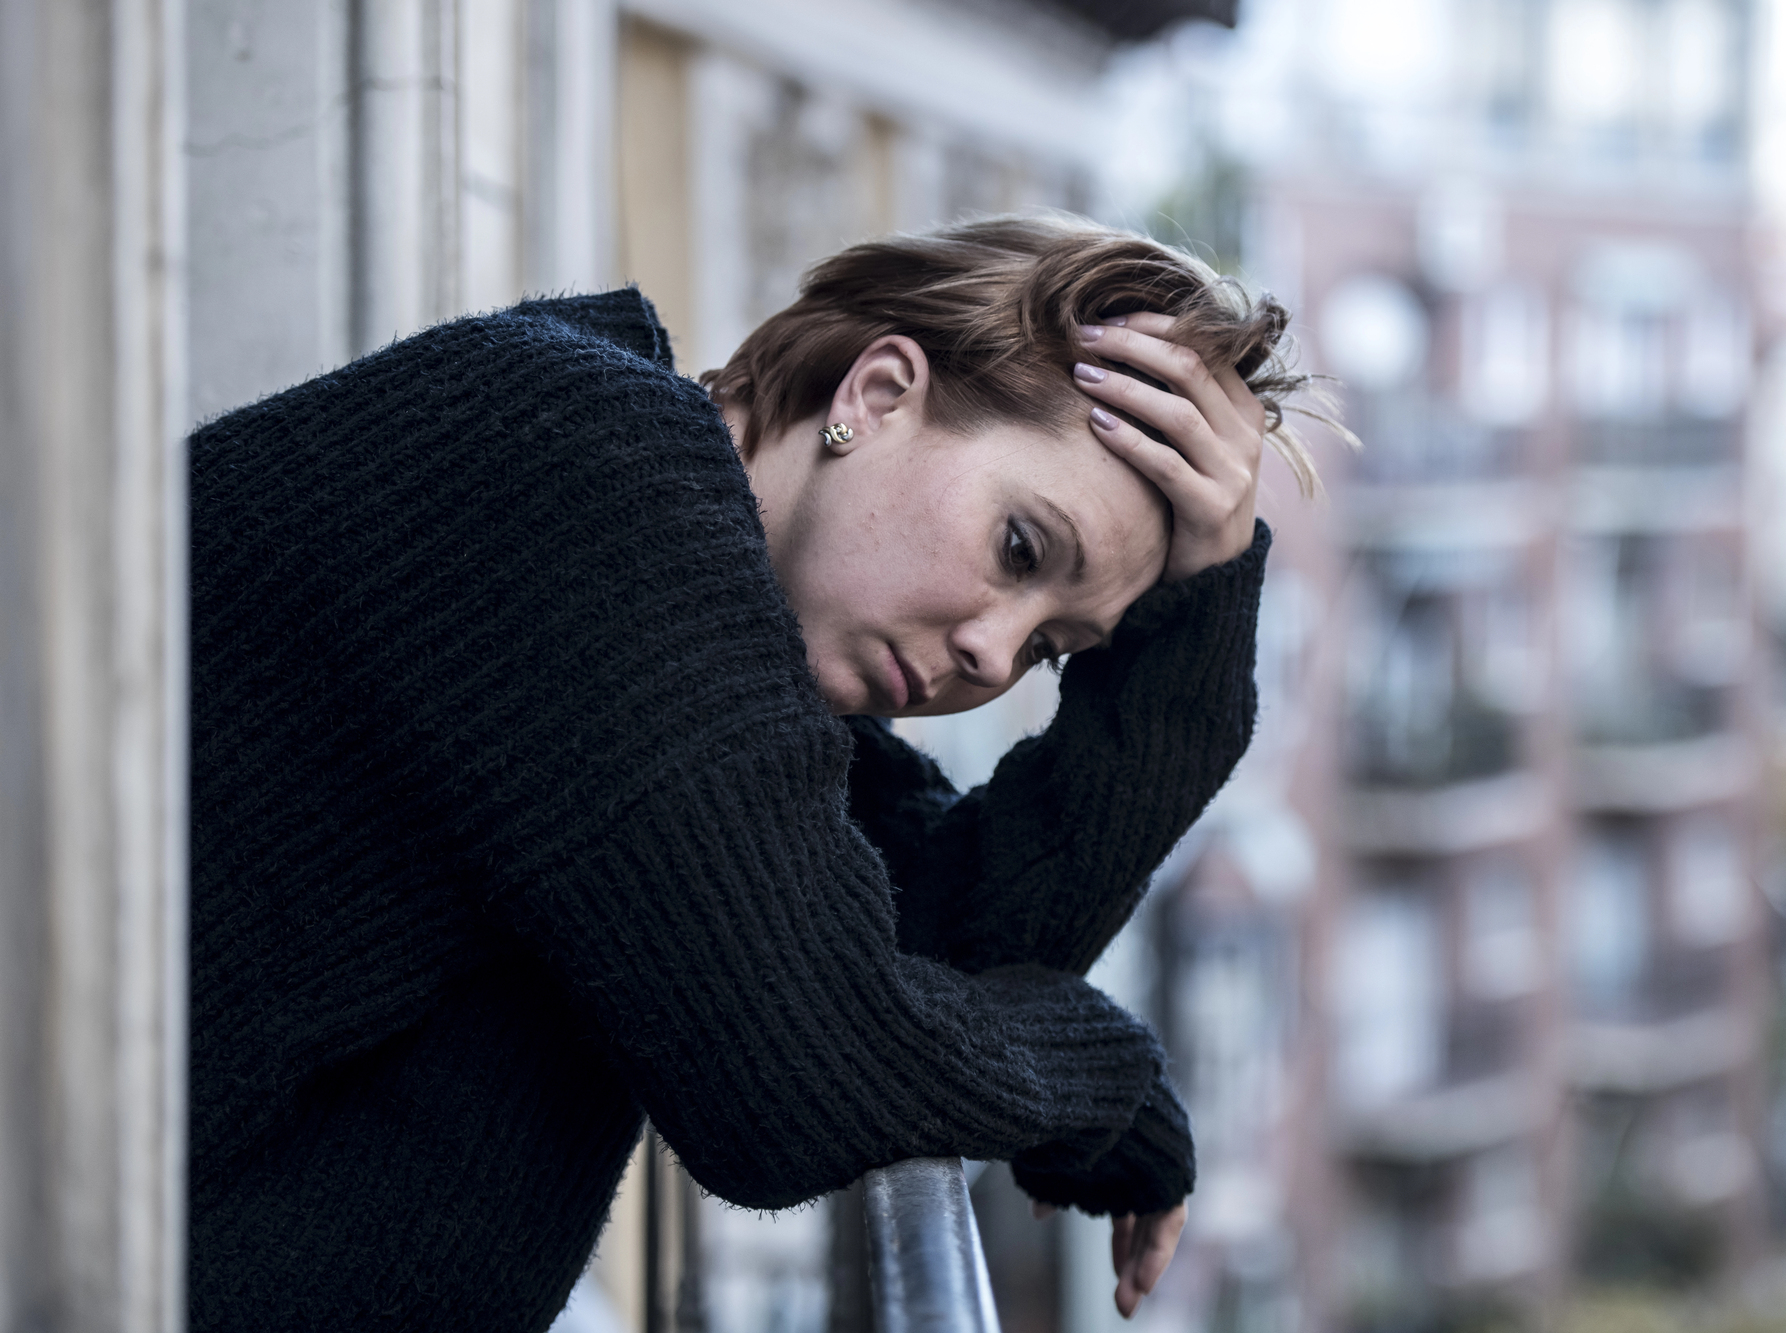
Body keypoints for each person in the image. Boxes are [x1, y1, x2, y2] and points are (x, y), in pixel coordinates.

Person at [187, 214, 1317, 1331]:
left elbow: (959, 948)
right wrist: (1102, 1077)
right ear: (876, 396)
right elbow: (802, 1077)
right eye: (1018, 551)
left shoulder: (708, 631)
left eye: (1047, 649)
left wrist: (1183, 641)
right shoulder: (588, 473)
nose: (990, 653)